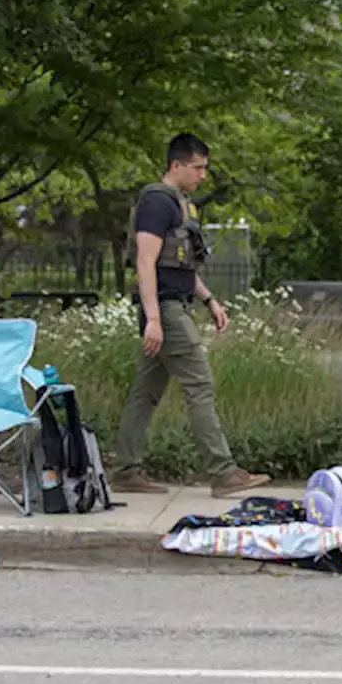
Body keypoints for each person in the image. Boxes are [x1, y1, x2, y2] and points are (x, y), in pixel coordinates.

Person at [111, 133, 270, 498]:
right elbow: (145, 261)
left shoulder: (181, 205)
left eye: (204, 169)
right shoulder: (157, 202)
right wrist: (153, 319)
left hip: (175, 303)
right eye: (197, 168)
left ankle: (126, 469)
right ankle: (223, 472)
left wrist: (210, 300)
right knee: (200, 383)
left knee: (146, 391)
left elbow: (179, 267)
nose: (202, 176)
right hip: (164, 309)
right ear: (176, 165)